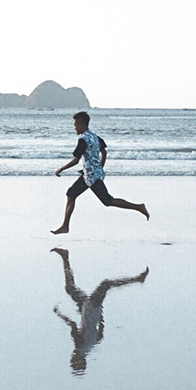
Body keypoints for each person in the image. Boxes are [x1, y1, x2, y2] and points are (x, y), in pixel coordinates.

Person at [51, 247, 149, 375]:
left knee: (70, 288)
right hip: (90, 306)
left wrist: (99, 316)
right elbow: (73, 325)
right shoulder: (80, 346)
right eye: (73, 360)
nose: (71, 357)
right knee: (106, 284)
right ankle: (137, 279)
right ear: (78, 359)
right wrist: (59, 314)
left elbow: (100, 334)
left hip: (89, 308)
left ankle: (65, 256)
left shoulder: (89, 347)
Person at [51, 111, 149, 235]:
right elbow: (104, 152)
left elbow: (76, 161)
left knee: (107, 200)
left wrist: (61, 169)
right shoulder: (95, 137)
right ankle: (65, 226)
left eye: (75, 125)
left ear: (82, 124)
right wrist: (100, 167)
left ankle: (139, 207)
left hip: (92, 177)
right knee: (71, 194)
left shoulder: (83, 140)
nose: (74, 127)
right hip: (89, 174)